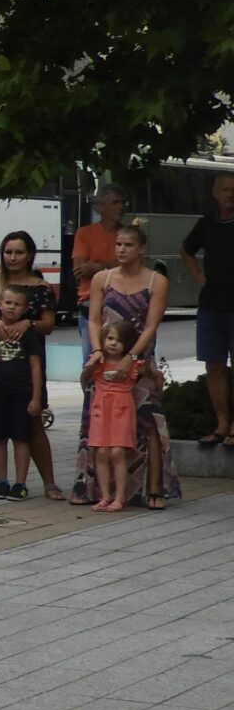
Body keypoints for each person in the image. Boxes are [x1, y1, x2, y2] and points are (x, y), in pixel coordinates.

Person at [70, 221, 178, 508]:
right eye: (118, 244)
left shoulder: (156, 281)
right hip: (104, 358)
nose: (121, 249)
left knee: (150, 421)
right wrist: (96, 351)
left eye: (128, 245)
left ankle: (154, 488)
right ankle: (94, 488)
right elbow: (93, 319)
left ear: (141, 249)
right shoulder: (102, 279)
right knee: (97, 423)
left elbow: (150, 326)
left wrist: (133, 356)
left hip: (139, 360)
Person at [0, 232, 60, 498]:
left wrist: (27, 323)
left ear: (30, 255)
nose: (13, 257)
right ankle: (0, 480)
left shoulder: (40, 288)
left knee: (33, 424)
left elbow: (49, 324)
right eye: (8, 252)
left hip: (26, 368)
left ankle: (49, 481)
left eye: (19, 252)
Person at [179, 171, 234, 448]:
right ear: (215, 193)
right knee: (214, 366)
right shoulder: (207, 224)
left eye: (233, 189)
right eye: (225, 189)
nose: (230, 194)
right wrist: (198, 276)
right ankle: (222, 423)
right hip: (212, 305)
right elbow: (186, 250)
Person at [0, 286, 47, 500]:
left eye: (17, 304)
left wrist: (36, 398)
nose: (11, 308)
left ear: (26, 308)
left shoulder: (29, 335)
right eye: (8, 302)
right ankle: (1, 481)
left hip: (21, 395)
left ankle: (20, 483)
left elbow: (36, 367)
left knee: (21, 438)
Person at [82, 322, 147, 511]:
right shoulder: (98, 362)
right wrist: (91, 363)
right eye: (110, 338)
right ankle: (104, 496)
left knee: (117, 452)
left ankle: (120, 497)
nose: (113, 344)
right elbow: (85, 377)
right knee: (101, 452)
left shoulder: (133, 365)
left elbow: (153, 374)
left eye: (119, 341)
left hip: (121, 408)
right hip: (100, 408)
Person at [72, 185, 126, 299]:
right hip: (90, 298)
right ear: (101, 207)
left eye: (123, 203)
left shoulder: (129, 235)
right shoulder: (84, 233)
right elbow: (80, 271)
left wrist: (98, 267)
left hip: (121, 298)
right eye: (115, 202)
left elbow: (130, 267)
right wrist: (115, 265)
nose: (121, 207)